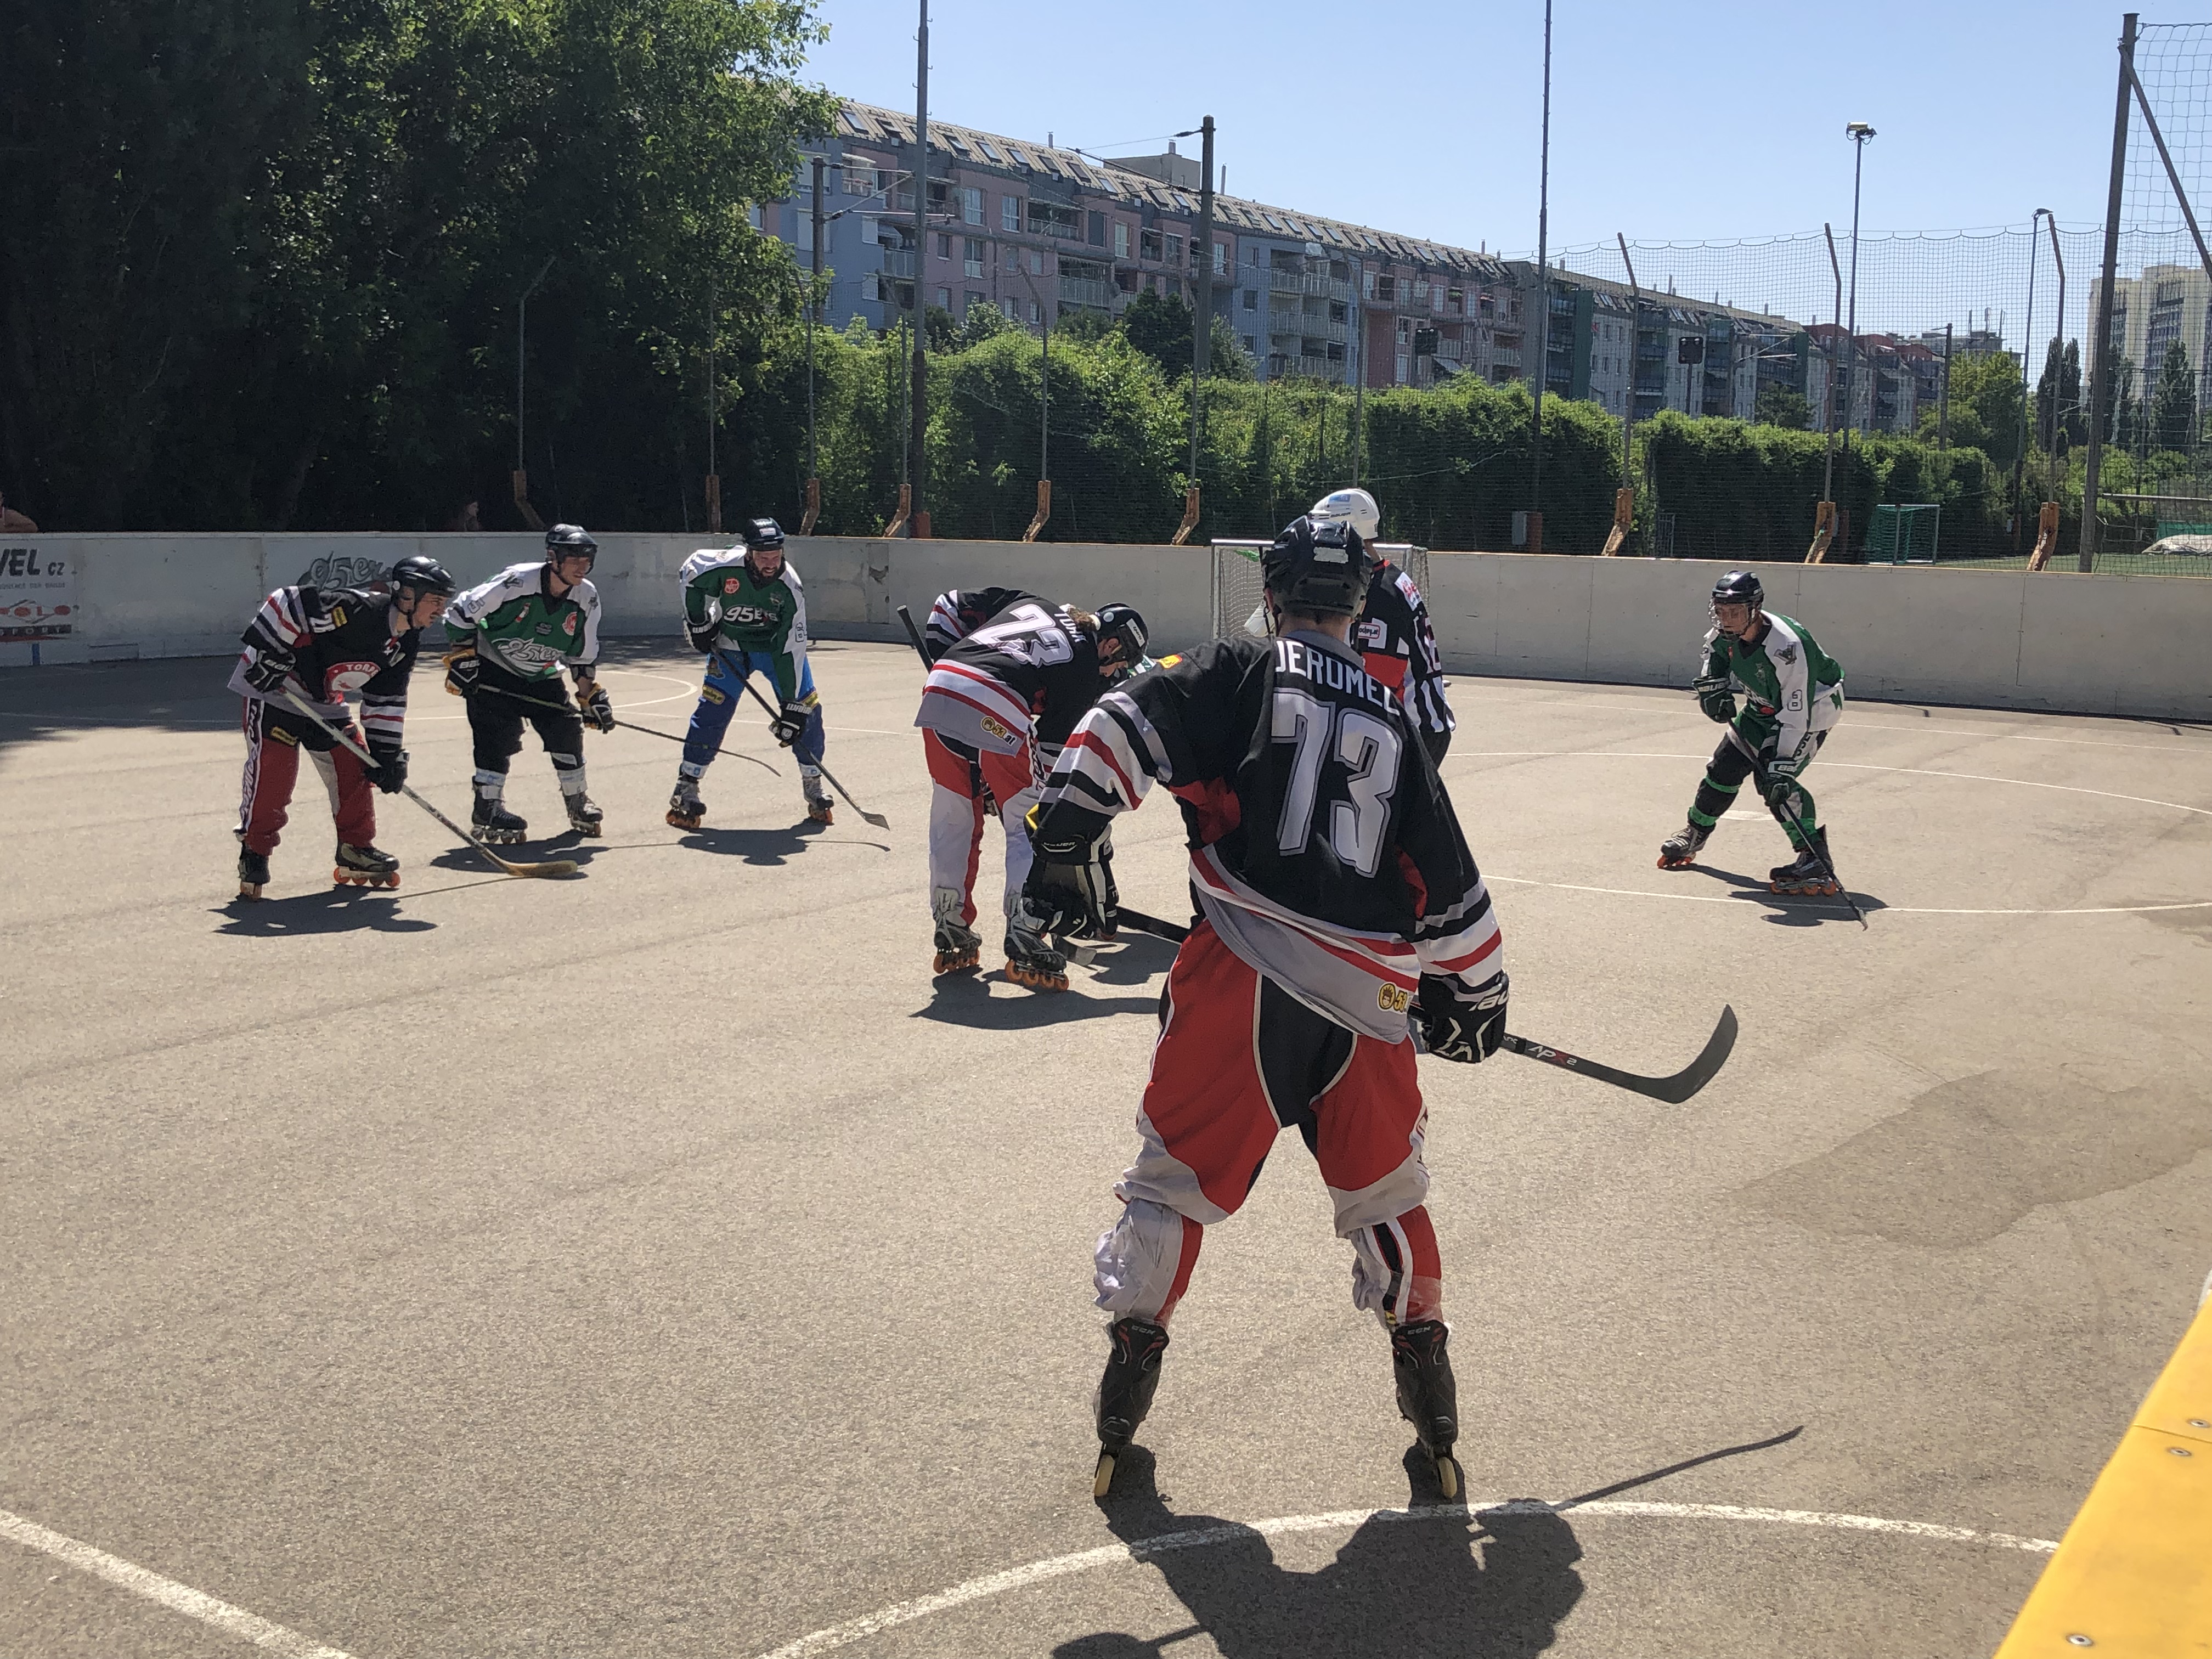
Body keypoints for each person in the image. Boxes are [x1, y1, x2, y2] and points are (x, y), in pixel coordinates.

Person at [1024, 515, 1507, 1498]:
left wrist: (1065, 843)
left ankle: (1125, 1396)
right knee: (1387, 1197)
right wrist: (1473, 990)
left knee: (1170, 1184)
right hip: (1368, 1002)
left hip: (1238, 975)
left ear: (1272, 586)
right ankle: (1435, 1416)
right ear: (1359, 600)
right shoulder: (1392, 712)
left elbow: (1116, 725)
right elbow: (1450, 882)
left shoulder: (1235, 668)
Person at [914, 593, 1148, 988]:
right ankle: (1025, 928)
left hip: (941, 685)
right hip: (995, 699)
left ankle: (949, 919)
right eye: (1120, 664)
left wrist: (946, 660)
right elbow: (1052, 762)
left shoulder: (1035, 601)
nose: (1115, 673)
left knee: (953, 815)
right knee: (1028, 822)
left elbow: (947, 605)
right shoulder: (1085, 667)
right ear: (1109, 645)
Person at [230, 554, 456, 898]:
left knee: (356, 767)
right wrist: (269, 651)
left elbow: (386, 699)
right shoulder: (358, 610)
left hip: (325, 704)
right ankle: (255, 851)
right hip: (277, 694)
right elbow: (287, 602)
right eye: (436, 601)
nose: (441, 611)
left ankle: (356, 848)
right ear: (407, 596)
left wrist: (387, 755)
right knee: (275, 774)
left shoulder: (405, 643)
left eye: (444, 603)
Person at [1657, 569, 1847, 896]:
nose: (1726, 619)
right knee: (1724, 767)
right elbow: (1713, 660)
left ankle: (1814, 857)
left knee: (1774, 780)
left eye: (1734, 612)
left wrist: (1783, 764)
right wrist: (1712, 690)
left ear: (1755, 609)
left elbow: (1796, 711)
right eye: (1720, 611)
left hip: (1810, 710)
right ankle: (1695, 833)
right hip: (1762, 708)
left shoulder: (1788, 647)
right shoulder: (1722, 635)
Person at [442, 523, 613, 842]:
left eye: (587, 560)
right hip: (493, 668)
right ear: (553, 558)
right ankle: (488, 807)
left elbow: (582, 656)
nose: (582, 567)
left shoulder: (587, 598)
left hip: (542, 673)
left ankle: (578, 801)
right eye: (574, 559)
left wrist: (590, 698)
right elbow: (460, 612)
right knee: (496, 736)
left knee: (566, 729)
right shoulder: (517, 581)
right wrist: (463, 658)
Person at [668, 517, 832, 827]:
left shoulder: (791, 588)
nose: (771, 564)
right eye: (763, 557)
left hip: (774, 650)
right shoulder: (722, 565)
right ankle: (687, 784)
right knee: (713, 710)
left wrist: (792, 707)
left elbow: (791, 650)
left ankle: (813, 783)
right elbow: (690, 574)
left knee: (807, 711)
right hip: (730, 647)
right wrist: (697, 621)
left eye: (776, 556)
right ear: (748, 553)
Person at [1310, 487, 1454, 764]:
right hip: (1416, 726)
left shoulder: (1379, 594)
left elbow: (1380, 678)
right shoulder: (1387, 579)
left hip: (1414, 732)